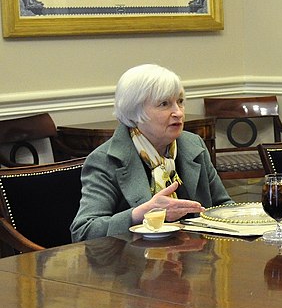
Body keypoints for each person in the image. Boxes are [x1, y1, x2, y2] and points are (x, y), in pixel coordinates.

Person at [71, 64, 232, 241]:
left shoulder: (193, 145)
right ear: (134, 111)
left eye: (180, 101)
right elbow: (84, 231)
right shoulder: (105, 160)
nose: (178, 112)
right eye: (164, 104)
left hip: (195, 258)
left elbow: (223, 206)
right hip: (133, 262)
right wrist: (141, 213)